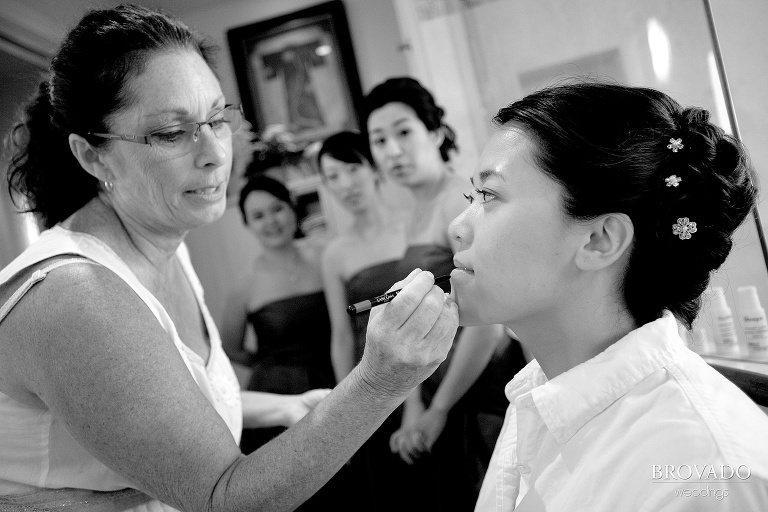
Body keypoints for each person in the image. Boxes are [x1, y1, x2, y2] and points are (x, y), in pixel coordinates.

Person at [0, 5, 458, 512]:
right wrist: (378, 382)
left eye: (217, 119)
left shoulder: (167, 246)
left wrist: (286, 406)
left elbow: (162, 408)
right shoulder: (76, 295)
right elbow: (224, 498)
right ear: (93, 155)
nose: (215, 152)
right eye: (173, 133)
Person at [445, 81, 768, 511]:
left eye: (488, 196)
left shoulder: (706, 474)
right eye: (473, 195)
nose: (457, 227)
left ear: (599, 239)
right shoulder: (537, 396)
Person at [364, 76, 516, 510]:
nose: (392, 150)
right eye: (379, 139)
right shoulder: (414, 213)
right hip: (434, 383)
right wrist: (413, 404)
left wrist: (439, 408)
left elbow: (490, 321)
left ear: (434, 133)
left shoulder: (458, 203)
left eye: (403, 132)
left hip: (475, 386)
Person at [317, 130, 411, 505]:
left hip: (429, 366)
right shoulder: (335, 254)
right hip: (371, 376)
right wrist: (348, 408)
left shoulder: (412, 227)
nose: (345, 184)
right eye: (332, 177)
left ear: (373, 166)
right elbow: (341, 337)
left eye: (351, 168)